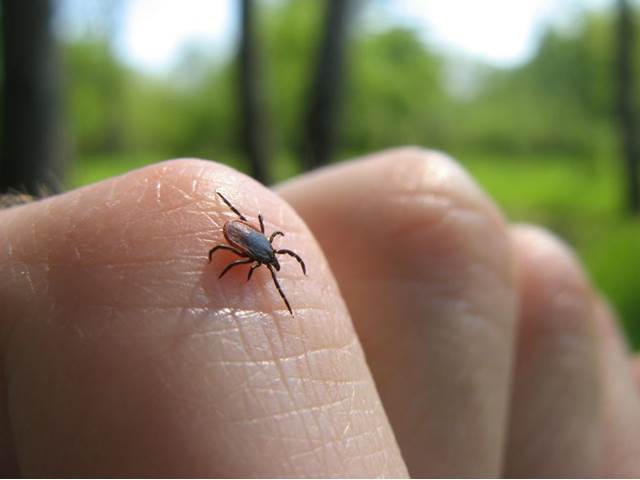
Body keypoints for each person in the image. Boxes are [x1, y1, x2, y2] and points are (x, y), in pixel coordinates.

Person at [0, 148, 638, 477]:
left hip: (228, 231)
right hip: (226, 228)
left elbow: (237, 239)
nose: (273, 261)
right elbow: (240, 235)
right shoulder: (255, 251)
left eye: (272, 261)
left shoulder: (247, 252)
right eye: (274, 261)